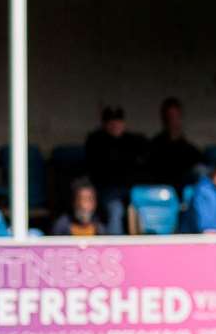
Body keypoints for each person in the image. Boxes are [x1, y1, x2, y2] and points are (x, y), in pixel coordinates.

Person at [84, 105, 146, 235]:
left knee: (147, 205)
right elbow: (97, 173)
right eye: (111, 122)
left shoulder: (133, 141)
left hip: (131, 190)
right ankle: (117, 249)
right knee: (115, 209)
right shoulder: (96, 141)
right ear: (105, 124)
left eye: (118, 122)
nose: (115, 125)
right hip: (107, 191)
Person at [142, 97, 205, 188]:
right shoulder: (154, 146)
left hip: (184, 189)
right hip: (162, 191)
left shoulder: (189, 148)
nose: (173, 120)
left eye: (176, 116)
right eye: (170, 116)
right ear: (164, 119)